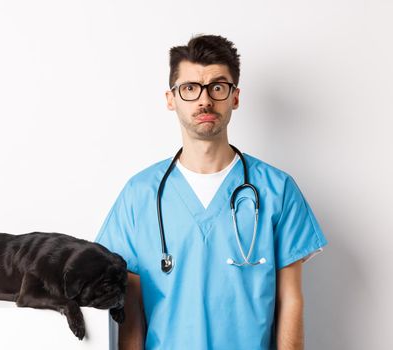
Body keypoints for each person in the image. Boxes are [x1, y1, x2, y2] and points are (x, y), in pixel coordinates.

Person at [94, 34, 328, 350]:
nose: (204, 100)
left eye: (217, 87)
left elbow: (290, 302)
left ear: (234, 97)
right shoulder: (140, 195)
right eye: (190, 88)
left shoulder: (276, 190)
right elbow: (130, 312)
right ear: (171, 99)